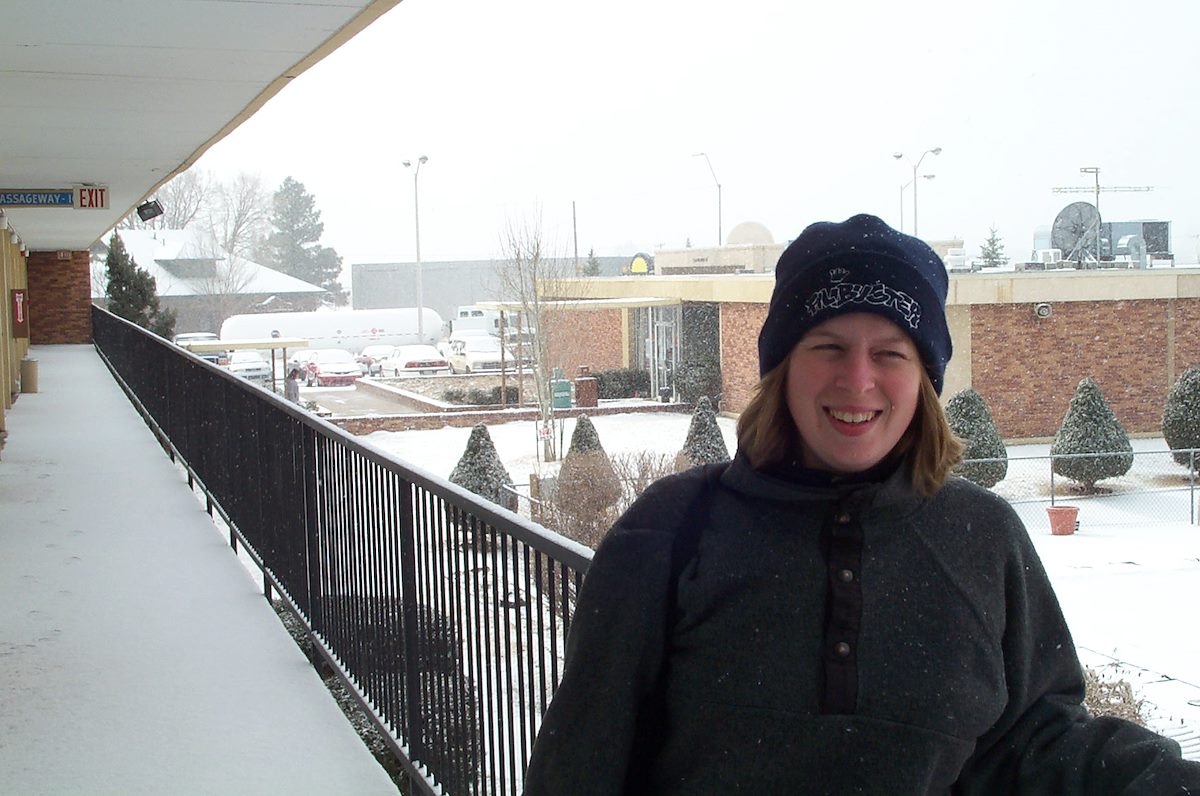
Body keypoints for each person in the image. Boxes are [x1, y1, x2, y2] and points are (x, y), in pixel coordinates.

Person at [523, 214, 1200, 794]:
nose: (859, 380)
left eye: (890, 353)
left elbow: (1036, 742)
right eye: (829, 348)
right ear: (783, 370)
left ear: (924, 379)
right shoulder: (671, 531)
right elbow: (581, 762)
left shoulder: (982, 537)